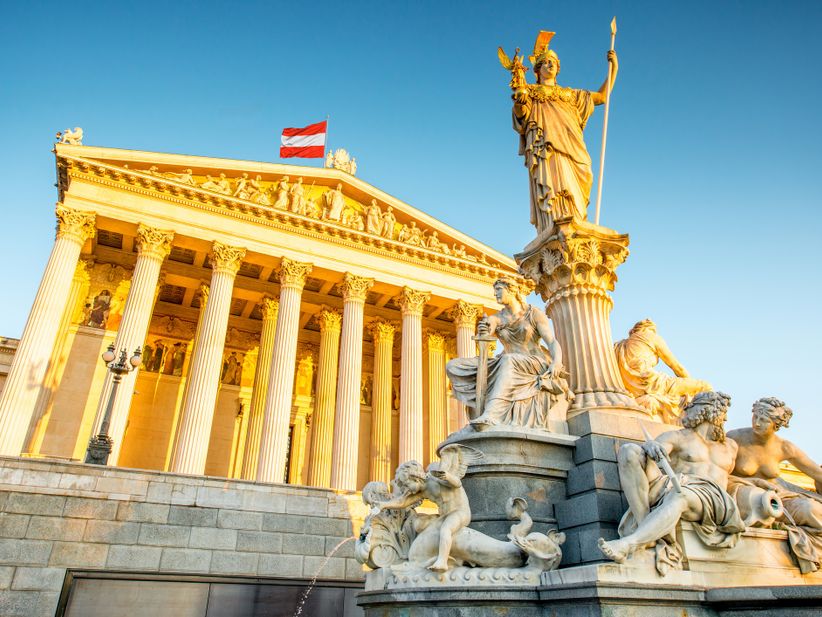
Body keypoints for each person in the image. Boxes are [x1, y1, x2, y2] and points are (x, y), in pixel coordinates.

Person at [598, 391, 745, 575]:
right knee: (629, 451)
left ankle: (630, 543)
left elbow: (742, 476)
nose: (725, 418)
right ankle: (647, 532)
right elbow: (656, 452)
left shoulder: (730, 445)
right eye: (722, 411)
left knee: (680, 496)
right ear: (709, 410)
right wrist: (651, 447)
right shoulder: (678, 437)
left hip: (713, 497)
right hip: (679, 486)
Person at [513, 33, 618, 233]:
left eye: (553, 62)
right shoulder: (531, 93)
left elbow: (603, 96)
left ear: (558, 68)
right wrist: (519, 100)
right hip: (548, 148)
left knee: (583, 178)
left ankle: (575, 220)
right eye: (545, 62)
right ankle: (554, 226)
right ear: (538, 69)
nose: (550, 65)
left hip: (573, 148)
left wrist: (613, 70)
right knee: (554, 189)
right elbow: (522, 117)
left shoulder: (571, 95)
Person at [446, 276, 571, 430]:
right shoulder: (498, 317)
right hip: (506, 362)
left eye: (499, 290)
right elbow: (490, 326)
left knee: (508, 360)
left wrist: (556, 361)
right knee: (453, 365)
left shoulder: (533, 314)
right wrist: (485, 328)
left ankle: (492, 414)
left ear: (511, 290)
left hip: (533, 362)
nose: (495, 294)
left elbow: (551, 341)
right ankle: (479, 409)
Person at [727, 398, 822, 573]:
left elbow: (817, 473)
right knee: (759, 499)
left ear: (776, 425)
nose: (757, 423)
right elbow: (721, 472)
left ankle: (801, 545)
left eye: (764, 420)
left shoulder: (785, 447)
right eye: (755, 416)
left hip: (779, 497)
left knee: (813, 510)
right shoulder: (735, 438)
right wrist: (753, 481)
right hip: (743, 493)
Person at [615, 319, 712, 423]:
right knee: (705, 386)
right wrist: (689, 385)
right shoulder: (651, 336)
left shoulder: (620, 345)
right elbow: (676, 367)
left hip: (634, 389)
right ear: (650, 329)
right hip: (653, 383)